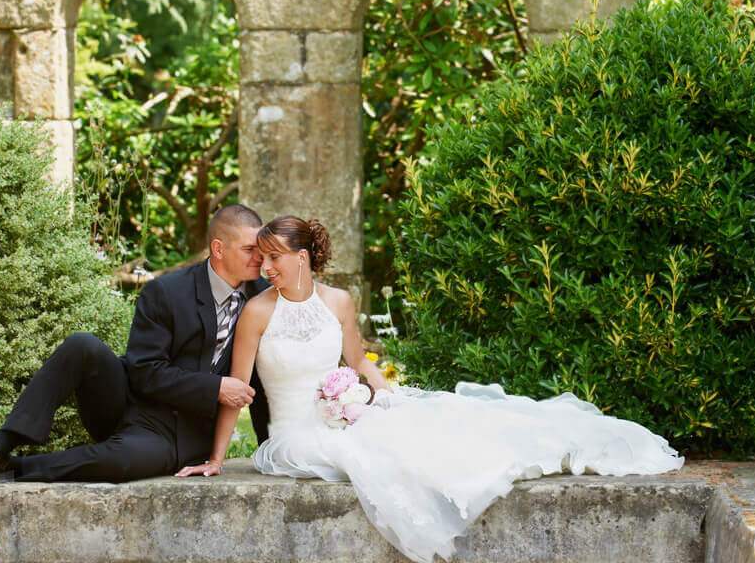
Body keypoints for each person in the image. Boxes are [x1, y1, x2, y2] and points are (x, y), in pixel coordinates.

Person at [176, 215, 684, 563]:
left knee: (424, 431)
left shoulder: (339, 302)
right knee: (371, 458)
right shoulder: (257, 311)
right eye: (262, 258)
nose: (265, 268)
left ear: (303, 257)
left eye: (275, 257)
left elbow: (357, 362)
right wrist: (218, 457)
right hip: (293, 434)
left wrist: (382, 394)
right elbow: (235, 388)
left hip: (343, 415)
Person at [0, 204, 271, 485]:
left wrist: (272, 449)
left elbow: (264, 377)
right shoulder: (167, 292)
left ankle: (12, 467)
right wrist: (214, 387)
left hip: (180, 434)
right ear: (218, 248)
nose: (260, 258)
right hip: (129, 401)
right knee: (83, 345)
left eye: (261, 249)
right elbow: (143, 372)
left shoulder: (261, 302)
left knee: (123, 462)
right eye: (249, 249)